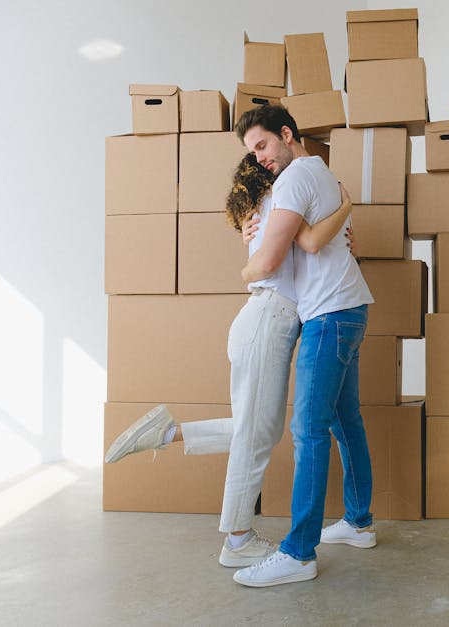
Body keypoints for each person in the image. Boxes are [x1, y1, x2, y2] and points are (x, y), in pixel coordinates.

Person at [104, 149, 353, 569]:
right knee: (257, 437)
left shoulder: (264, 211)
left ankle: (168, 433)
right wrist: (345, 207)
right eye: (273, 163)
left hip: (266, 320)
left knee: (261, 430)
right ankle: (237, 538)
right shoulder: (278, 205)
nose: (283, 165)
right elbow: (304, 245)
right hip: (268, 319)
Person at [229, 105, 375, 588]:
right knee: (344, 418)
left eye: (263, 145)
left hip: (328, 314)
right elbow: (312, 240)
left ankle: (298, 552)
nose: (260, 158)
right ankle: (358, 522)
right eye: (253, 152)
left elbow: (272, 259)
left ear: (286, 134)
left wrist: (245, 271)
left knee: (308, 428)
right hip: (349, 306)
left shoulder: (295, 178)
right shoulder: (320, 174)